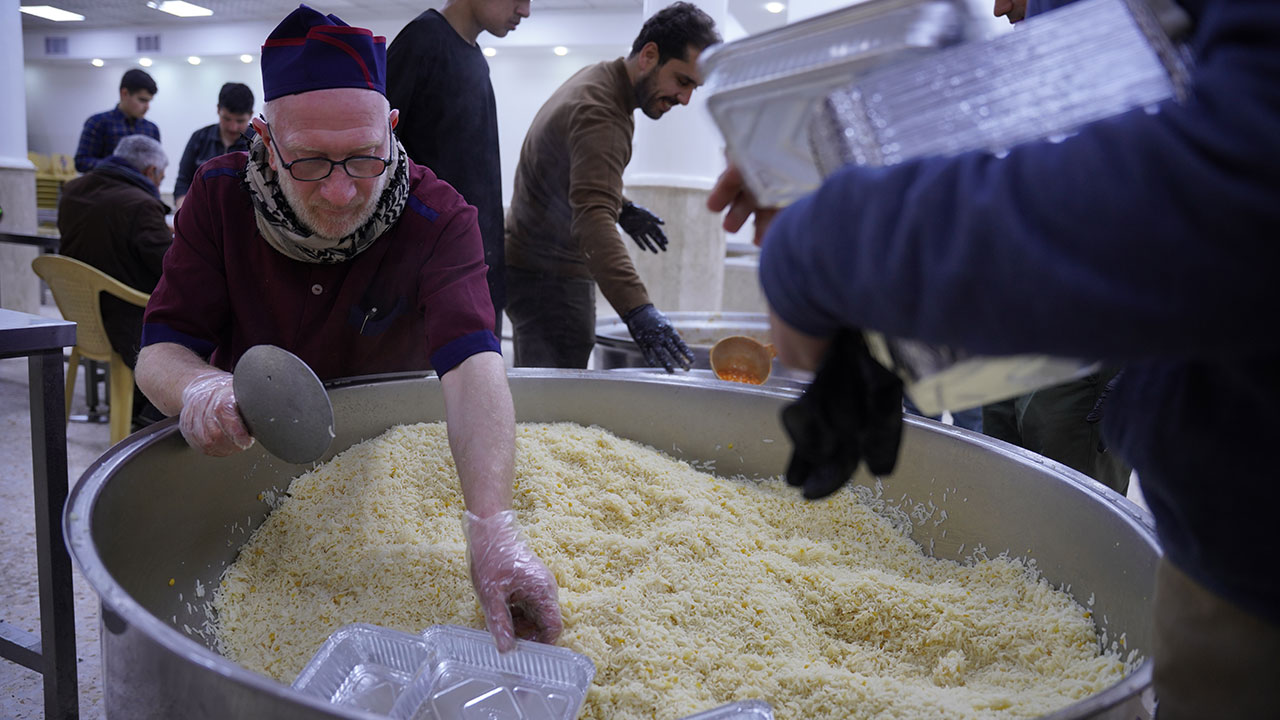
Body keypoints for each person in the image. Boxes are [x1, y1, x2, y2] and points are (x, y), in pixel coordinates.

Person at [708, 0, 1279, 714]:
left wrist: (829, 246)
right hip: (1225, 515)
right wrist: (808, 152)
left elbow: (1242, 187)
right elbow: (1140, 84)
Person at [134, 4, 562, 653]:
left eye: (363, 158)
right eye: (308, 161)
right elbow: (162, 349)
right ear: (264, 140)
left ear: (391, 127)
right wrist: (199, 390)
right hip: (245, 466)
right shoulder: (219, 197)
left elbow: (474, 366)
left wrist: (491, 526)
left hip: (378, 471)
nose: (339, 194)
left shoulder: (437, 218)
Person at [502, 2, 719, 371]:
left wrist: (624, 207)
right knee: (554, 409)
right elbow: (593, 220)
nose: (685, 99)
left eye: (693, 88)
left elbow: (576, 172)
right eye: (682, 81)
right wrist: (640, 311)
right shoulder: (602, 111)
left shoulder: (599, 79)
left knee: (539, 397)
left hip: (531, 268)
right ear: (650, 55)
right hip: (550, 281)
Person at [386, 0, 530, 337]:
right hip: (429, 279)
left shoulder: (475, 57)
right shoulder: (422, 42)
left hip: (474, 267)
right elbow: (378, 159)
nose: (525, 11)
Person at [57, 134, 172, 429]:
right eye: (161, 176)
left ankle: (142, 410)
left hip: (81, 319)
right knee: (207, 318)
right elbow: (172, 269)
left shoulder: (72, 191)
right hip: (129, 326)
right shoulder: (141, 205)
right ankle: (154, 417)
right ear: (150, 172)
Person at [173, 82, 256, 210]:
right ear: (218, 109)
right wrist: (184, 211)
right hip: (201, 213)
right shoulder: (199, 138)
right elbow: (183, 182)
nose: (233, 127)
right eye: (227, 119)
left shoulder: (258, 143)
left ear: (250, 115)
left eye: (240, 121)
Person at [74, 68, 160, 173]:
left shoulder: (151, 129)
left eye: (149, 101)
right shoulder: (98, 123)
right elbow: (81, 162)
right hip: (106, 188)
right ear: (124, 93)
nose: (147, 107)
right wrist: (117, 168)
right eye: (142, 100)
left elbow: (157, 165)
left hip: (141, 189)